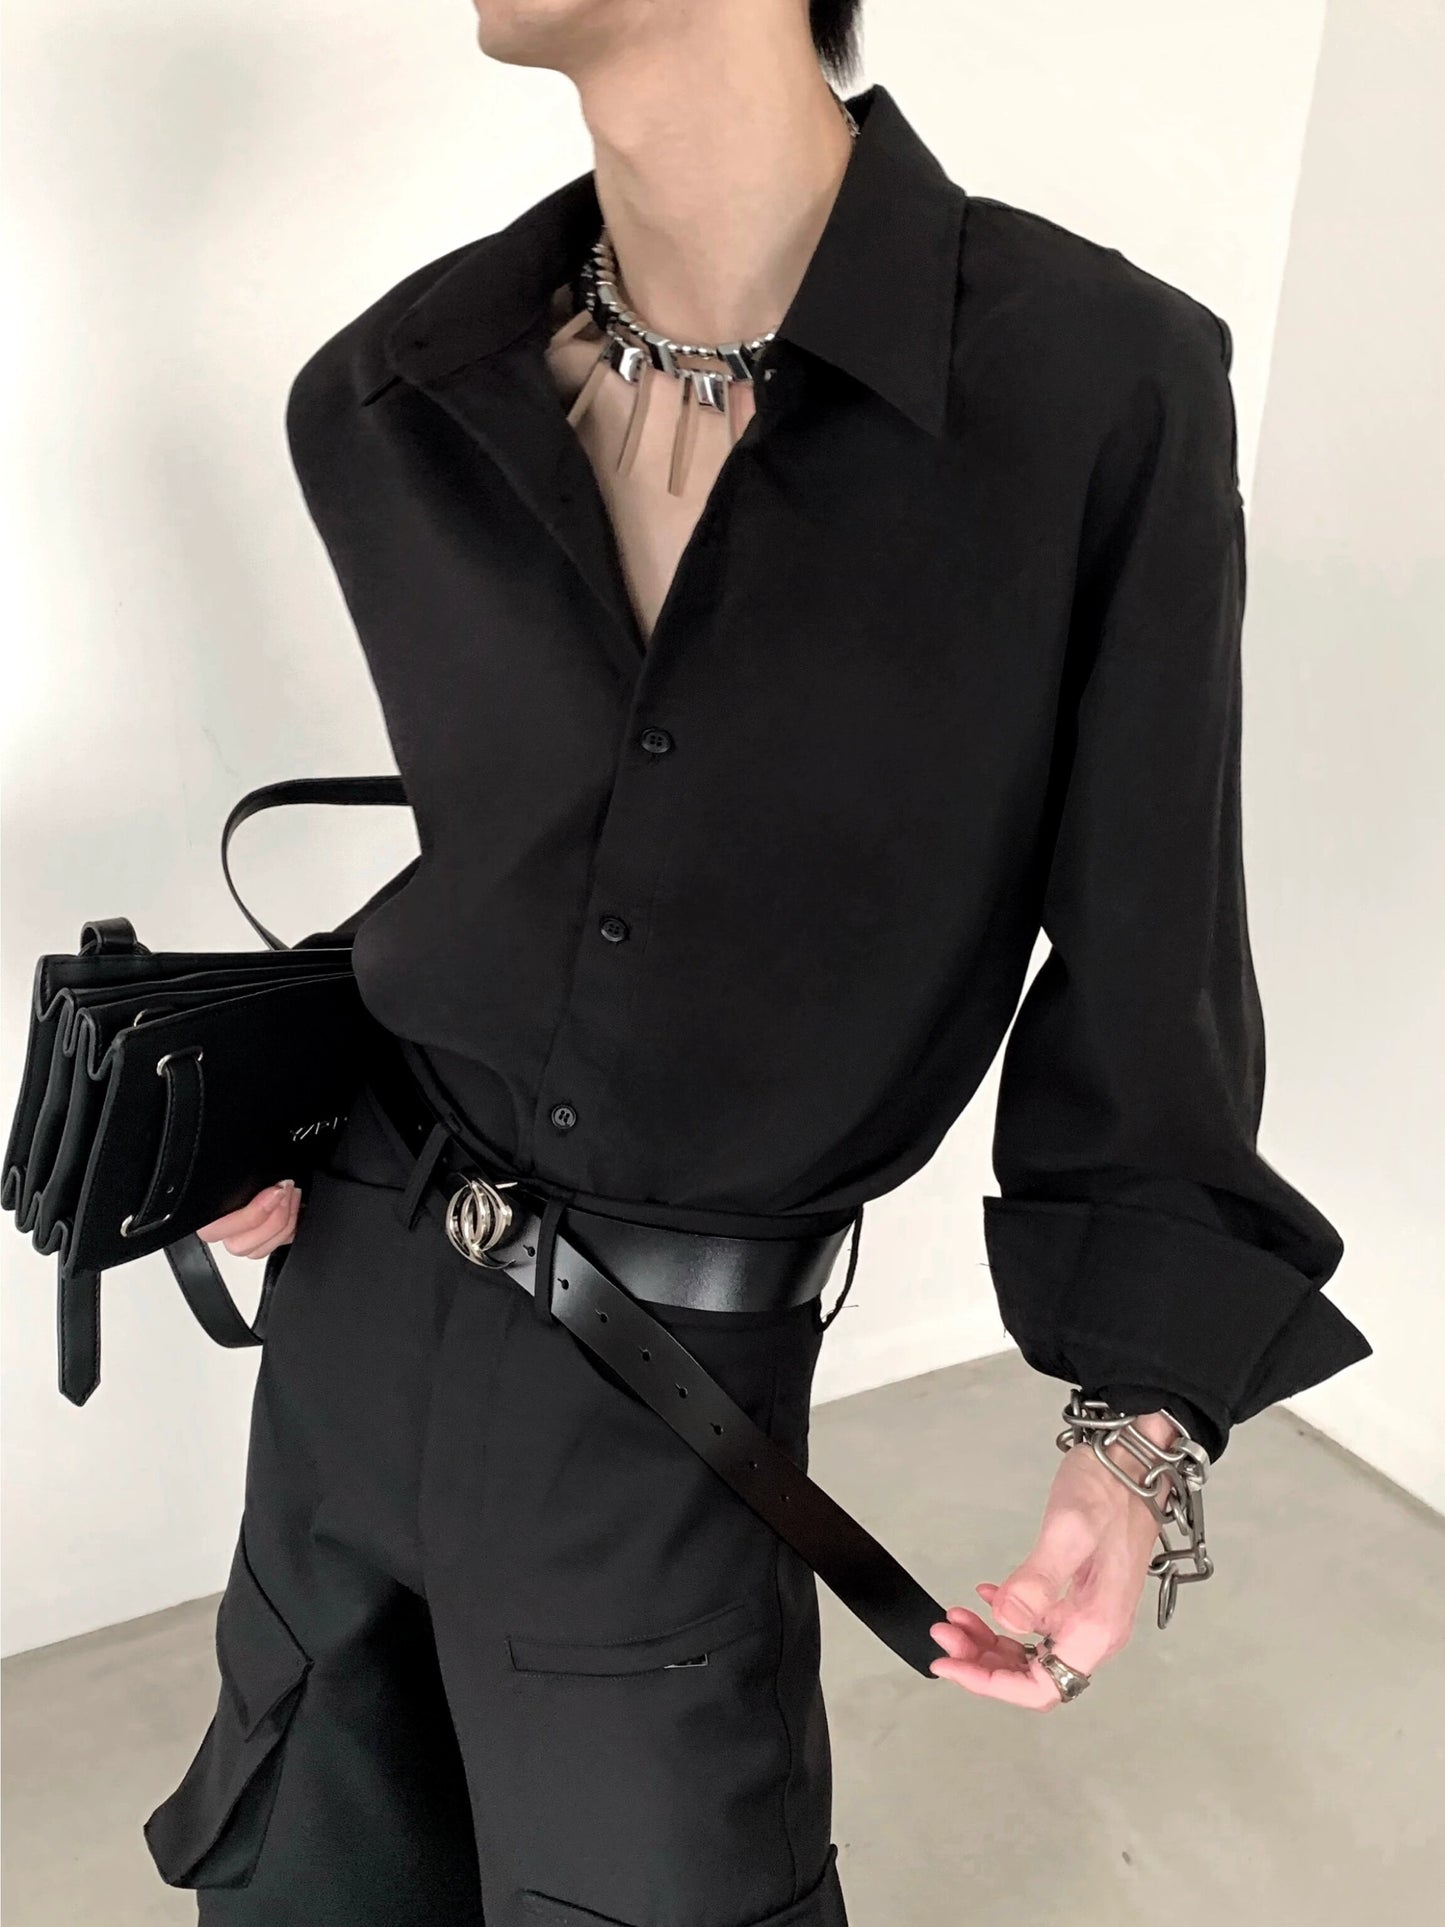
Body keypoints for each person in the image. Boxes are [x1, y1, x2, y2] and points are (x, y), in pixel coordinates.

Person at [148, 2, 1371, 1921]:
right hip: (345, 1331)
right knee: (299, 1879)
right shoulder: (390, 394)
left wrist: (1136, 1435)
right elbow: (521, 873)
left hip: (663, 1407)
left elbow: (1154, 960)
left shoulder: (1092, 388)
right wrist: (261, 1101)